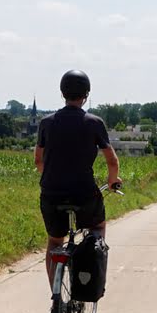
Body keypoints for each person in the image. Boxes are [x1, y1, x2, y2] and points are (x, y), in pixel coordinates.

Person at [35, 69, 121, 289]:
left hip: (52, 193)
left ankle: (55, 296)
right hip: (84, 193)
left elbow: (38, 161)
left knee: (55, 241)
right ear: (86, 94)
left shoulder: (46, 122)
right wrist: (113, 181)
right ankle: (91, 276)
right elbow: (111, 161)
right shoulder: (94, 123)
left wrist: (51, 177)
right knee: (98, 228)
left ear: (62, 93)